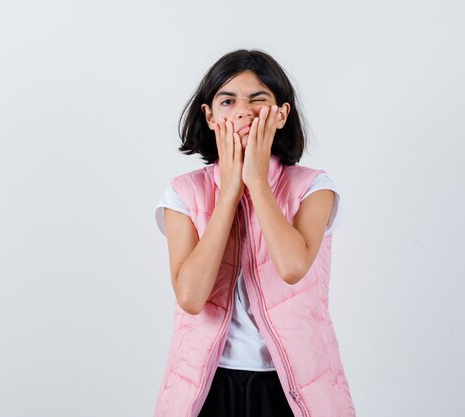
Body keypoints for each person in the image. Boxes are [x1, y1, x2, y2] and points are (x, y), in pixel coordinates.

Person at [153, 49, 356, 417]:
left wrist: (256, 181)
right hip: (208, 385)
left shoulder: (314, 188)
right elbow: (191, 297)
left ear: (281, 114)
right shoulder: (182, 193)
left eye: (257, 99)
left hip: (292, 386)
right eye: (227, 100)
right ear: (210, 116)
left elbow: (293, 267)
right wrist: (229, 192)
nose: (243, 111)